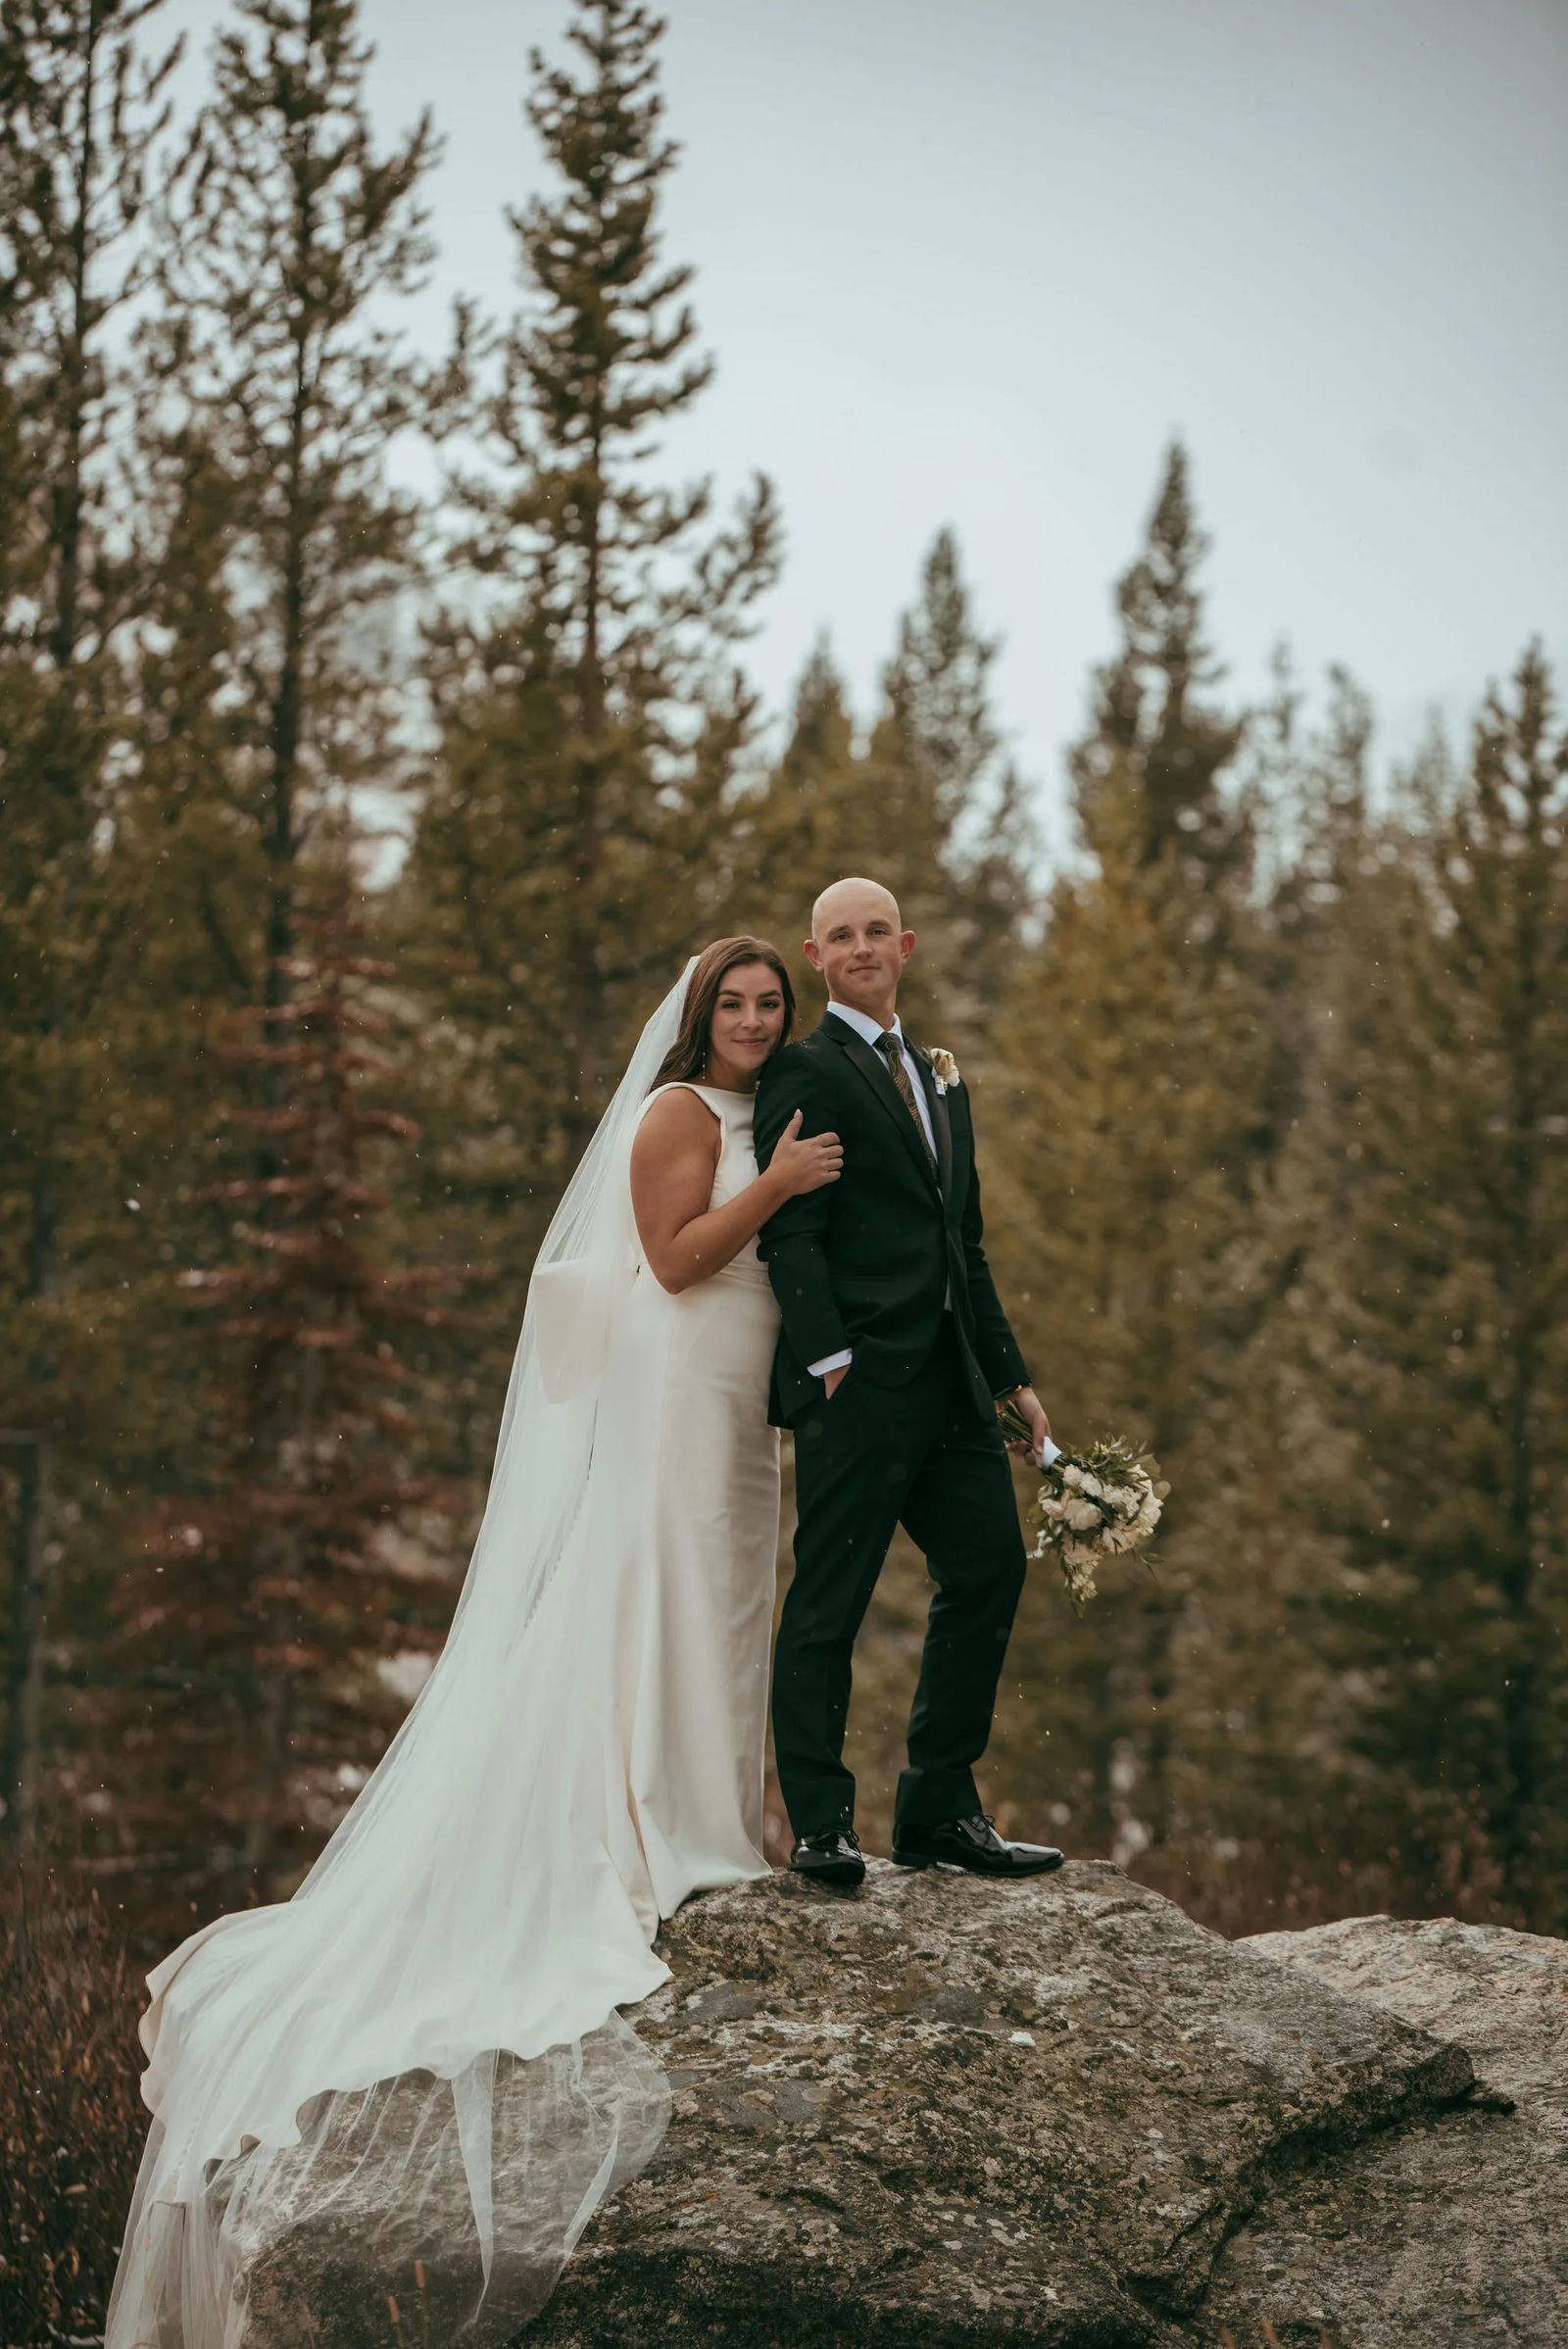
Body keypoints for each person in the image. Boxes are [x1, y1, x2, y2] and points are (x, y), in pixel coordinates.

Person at [103, 937, 840, 2349]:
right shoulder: (675, 1114)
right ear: (700, 1017)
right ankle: (654, 1823)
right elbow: (675, 1260)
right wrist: (779, 1186)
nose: (754, 1021)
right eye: (734, 1004)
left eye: (769, 1004)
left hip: (744, 1393)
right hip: (678, 1380)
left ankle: (708, 1811)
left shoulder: (779, 1109)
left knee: (732, 1599)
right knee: (672, 1587)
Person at [753, 876, 1065, 1889]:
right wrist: (832, 1361)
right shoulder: (803, 1069)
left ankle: (937, 1809)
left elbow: (961, 1242)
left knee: (988, 1569)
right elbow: (789, 1233)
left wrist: (1010, 1378)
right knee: (829, 1603)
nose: (861, 947)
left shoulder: (940, 1076)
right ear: (816, 957)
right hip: (856, 1386)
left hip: (950, 1386)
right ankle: (820, 1826)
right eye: (840, 935)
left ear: (906, 945)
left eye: (876, 931)